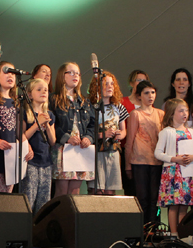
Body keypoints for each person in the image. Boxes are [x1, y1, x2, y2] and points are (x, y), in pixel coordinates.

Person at [155, 99, 193, 235]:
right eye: (181, 110)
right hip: (173, 172)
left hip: (188, 173)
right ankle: (174, 233)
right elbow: (158, 153)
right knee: (174, 205)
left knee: (185, 204)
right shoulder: (166, 132)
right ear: (172, 113)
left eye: (186, 110)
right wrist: (174, 159)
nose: (185, 113)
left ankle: (183, 231)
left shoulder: (191, 132)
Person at [0, 62, 33, 193]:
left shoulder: (16, 102)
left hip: (12, 156)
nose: (10, 75)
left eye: (13, 72)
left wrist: (27, 146)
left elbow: (18, 130)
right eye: (6, 71)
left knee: (8, 195)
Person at [49, 62, 94, 197]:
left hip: (80, 148)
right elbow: (51, 124)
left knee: (75, 191)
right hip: (63, 148)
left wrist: (88, 138)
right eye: (71, 72)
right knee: (62, 190)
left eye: (78, 73)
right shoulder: (54, 99)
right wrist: (66, 137)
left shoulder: (84, 102)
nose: (76, 76)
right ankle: (59, 218)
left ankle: (71, 218)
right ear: (62, 76)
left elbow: (92, 124)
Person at [125, 81, 164, 225]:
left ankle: (154, 227)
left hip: (156, 160)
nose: (150, 96)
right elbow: (129, 141)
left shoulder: (160, 114)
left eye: (153, 92)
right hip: (139, 161)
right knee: (142, 197)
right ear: (139, 96)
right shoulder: (135, 114)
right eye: (146, 93)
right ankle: (141, 228)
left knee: (155, 197)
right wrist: (128, 165)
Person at [87, 72, 128, 195]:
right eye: (105, 84)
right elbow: (87, 130)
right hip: (97, 152)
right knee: (97, 189)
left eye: (112, 84)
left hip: (113, 150)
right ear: (97, 87)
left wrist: (121, 134)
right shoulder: (91, 107)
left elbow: (123, 129)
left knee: (111, 189)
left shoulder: (118, 107)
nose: (110, 86)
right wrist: (102, 134)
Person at [21, 78, 56, 213]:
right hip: (31, 162)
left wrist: (46, 124)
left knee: (44, 201)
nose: (43, 92)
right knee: (29, 198)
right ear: (30, 94)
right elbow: (23, 136)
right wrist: (37, 124)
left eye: (46, 90)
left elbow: (52, 141)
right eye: (39, 90)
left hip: (46, 162)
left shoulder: (50, 114)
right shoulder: (25, 113)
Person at [120, 70, 149, 196]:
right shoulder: (122, 102)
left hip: (144, 153)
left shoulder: (148, 105)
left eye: (144, 81)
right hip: (127, 149)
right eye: (138, 80)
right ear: (131, 83)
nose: (141, 83)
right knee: (130, 188)